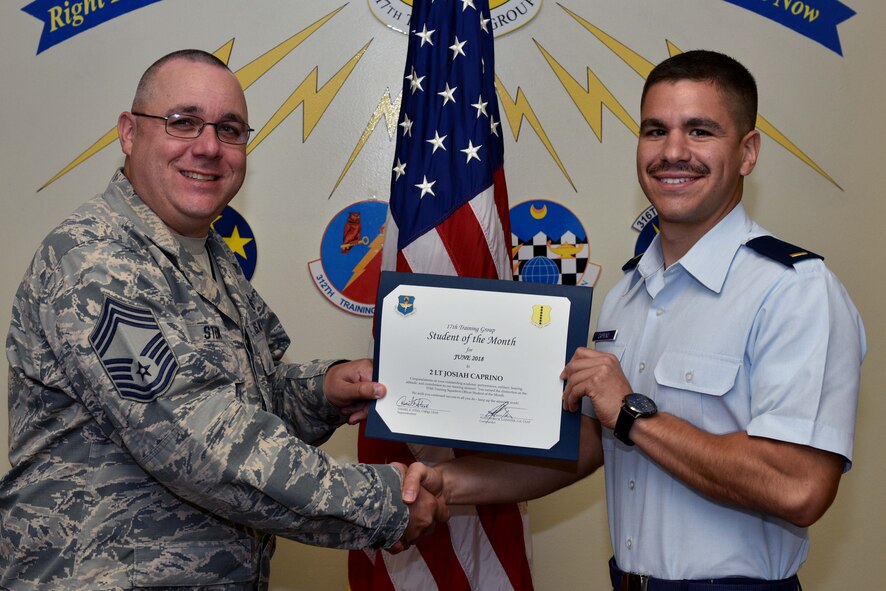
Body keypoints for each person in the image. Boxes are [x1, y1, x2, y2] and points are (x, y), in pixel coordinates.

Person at [407, 49, 866, 590]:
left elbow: (798, 488)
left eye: (700, 131)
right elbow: (590, 445)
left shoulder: (793, 291)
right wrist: (447, 484)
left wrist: (629, 412)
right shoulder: (627, 294)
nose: (673, 152)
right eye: (655, 130)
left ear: (748, 152)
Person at [0, 49, 446, 591]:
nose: (208, 146)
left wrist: (325, 390)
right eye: (182, 122)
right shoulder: (95, 260)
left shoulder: (210, 257)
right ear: (128, 132)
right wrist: (384, 504)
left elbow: (245, 402)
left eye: (229, 129)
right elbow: (199, 443)